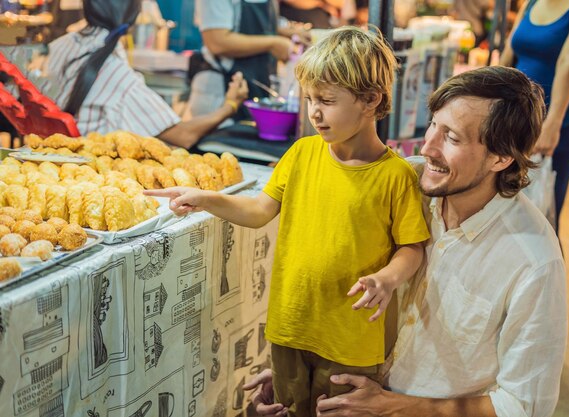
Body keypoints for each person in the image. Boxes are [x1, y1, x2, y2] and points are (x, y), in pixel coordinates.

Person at [244, 66, 568, 417]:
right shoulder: (399, 180)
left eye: (453, 138)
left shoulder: (534, 262)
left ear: (501, 158)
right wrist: (298, 370)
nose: (428, 147)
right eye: (433, 125)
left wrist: (394, 406)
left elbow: (523, 405)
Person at [146, 26, 430, 417]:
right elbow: (259, 210)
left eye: (327, 101)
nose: (314, 111)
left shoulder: (394, 175)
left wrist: (388, 278)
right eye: (310, 98)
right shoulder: (300, 153)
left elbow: (412, 247)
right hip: (289, 327)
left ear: (370, 100)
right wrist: (206, 198)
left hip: (351, 340)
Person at [40, 0, 248, 149]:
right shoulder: (117, 75)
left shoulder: (60, 45)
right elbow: (183, 135)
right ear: (134, 15)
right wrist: (229, 106)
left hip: (53, 152)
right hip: (88, 169)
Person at [501, 0, 569, 233]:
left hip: (556, 122)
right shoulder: (532, 2)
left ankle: (549, 269)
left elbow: (568, 61)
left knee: (541, 218)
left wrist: (552, 124)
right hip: (515, 118)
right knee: (503, 213)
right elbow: (509, 54)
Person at [189, 0, 308, 119]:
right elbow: (217, 41)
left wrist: (287, 32)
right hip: (220, 95)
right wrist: (272, 43)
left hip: (257, 88)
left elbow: (259, 24)